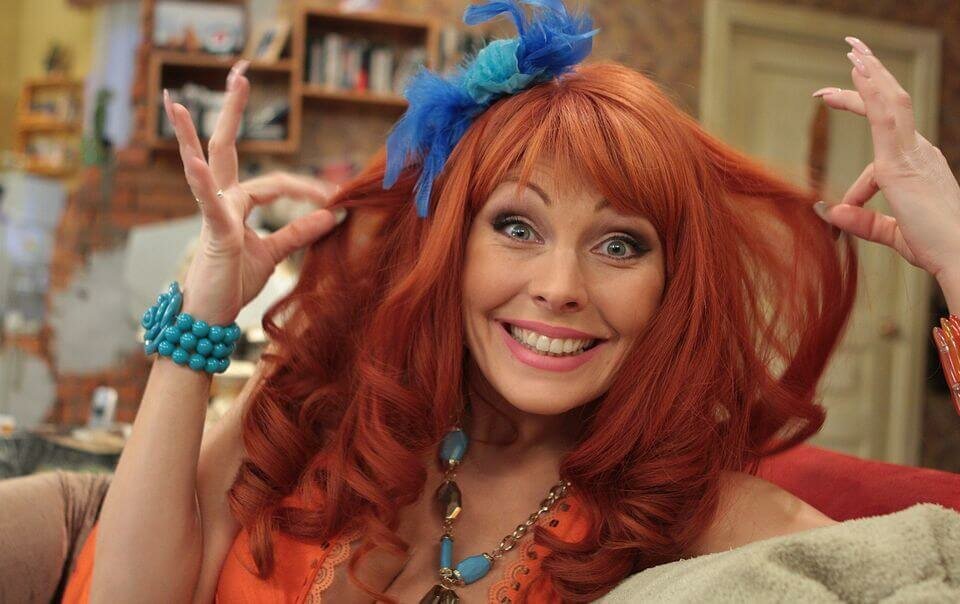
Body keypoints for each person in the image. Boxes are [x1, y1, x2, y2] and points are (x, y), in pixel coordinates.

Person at [64, 1, 960, 602]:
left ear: (672, 289)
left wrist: (957, 261)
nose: (560, 288)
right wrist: (200, 318)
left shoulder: (692, 511)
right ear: (450, 248)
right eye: (517, 227)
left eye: (620, 245)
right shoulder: (317, 407)